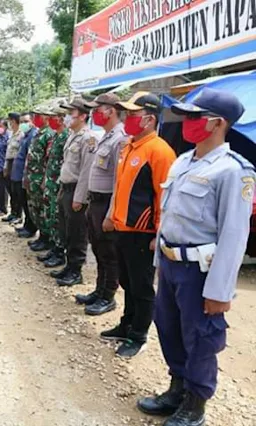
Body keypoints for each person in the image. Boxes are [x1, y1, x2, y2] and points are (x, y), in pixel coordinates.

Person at [137, 89, 255, 426]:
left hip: (200, 271)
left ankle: (195, 403)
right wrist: (160, 260)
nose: (186, 123)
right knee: (169, 328)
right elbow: (170, 213)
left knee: (200, 337)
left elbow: (234, 235)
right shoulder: (183, 160)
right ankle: (176, 388)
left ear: (218, 123)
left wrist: (220, 291)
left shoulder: (234, 171)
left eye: (193, 117)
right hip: (172, 264)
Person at [100, 91, 176, 358]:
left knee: (142, 286)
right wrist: (112, 216)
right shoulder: (129, 146)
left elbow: (165, 197)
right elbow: (120, 188)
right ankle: (126, 323)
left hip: (143, 234)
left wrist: (159, 232)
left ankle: (138, 334)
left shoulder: (160, 152)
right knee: (126, 281)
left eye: (133, 115)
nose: (128, 119)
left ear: (149, 119)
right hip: (123, 229)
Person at [75, 93, 127, 316]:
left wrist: (112, 212)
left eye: (99, 109)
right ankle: (99, 290)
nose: (95, 113)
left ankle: (108, 296)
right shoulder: (105, 137)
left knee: (109, 252)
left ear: (112, 111)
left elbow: (119, 180)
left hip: (107, 203)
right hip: (95, 202)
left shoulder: (120, 138)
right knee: (97, 248)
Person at [51, 98, 97, 286]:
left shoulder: (88, 138)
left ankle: (76, 271)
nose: (68, 117)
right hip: (66, 187)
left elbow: (87, 171)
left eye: (72, 114)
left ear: (83, 116)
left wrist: (79, 198)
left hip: (76, 190)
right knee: (66, 230)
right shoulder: (72, 135)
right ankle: (69, 267)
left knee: (78, 233)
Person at [38, 101, 71, 268]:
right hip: (50, 183)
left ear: (62, 118)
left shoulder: (66, 136)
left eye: (53, 117)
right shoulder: (57, 136)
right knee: (50, 217)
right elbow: (49, 161)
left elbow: (65, 163)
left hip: (58, 185)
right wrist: (45, 180)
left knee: (58, 220)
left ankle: (59, 252)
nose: (50, 120)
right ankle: (53, 247)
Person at [25, 105, 56, 252]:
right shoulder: (38, 133)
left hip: (40, 179)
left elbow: (48, 159)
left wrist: (44, 179)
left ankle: (46, 239)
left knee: (43, 212)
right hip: (32, 178)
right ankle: (41, 237)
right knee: (34, 210)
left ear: (46, 117)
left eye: (39, 115)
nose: (35, 118)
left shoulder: (49, 134)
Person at [12, 112, 39, 238]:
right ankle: (26, 226)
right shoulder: (25, 135)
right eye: (21, 121)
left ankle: (30, 228)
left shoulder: (33, 135)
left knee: (29, 204)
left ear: (32, 121)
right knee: (23, 201)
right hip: (20, 173)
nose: (23, 124)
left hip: (27, 174)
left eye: (26, 121)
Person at [2, 112, 23, 224]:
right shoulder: (12, 134)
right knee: (10, 188)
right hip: (9, 163)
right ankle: (13, 212)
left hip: (16, 163)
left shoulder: (21, 134)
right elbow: (8, 151)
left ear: (14, 121)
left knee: (16, 190)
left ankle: (18, 214)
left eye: (10, 121)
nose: (9, 123)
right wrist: (5, 166)